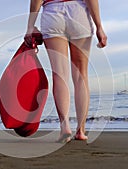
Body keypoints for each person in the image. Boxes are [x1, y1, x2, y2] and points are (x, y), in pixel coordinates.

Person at [25, 0, 107, 143]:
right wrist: (99, 26)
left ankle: (65, 128)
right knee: (81, 75)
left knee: (59, 75)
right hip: (78, 12)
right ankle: (81, 130)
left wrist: (30, 26)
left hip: (52, 13)